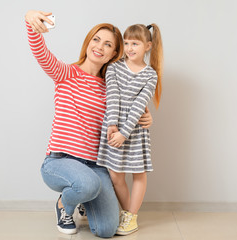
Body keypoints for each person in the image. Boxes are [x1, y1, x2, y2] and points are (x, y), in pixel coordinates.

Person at [24, 10, 153, 238]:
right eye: (96, 40)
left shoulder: (112, 86)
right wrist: (30, 19)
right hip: (60, 161)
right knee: (88, 184)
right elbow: (41, 53)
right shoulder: (65, 74)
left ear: (114, 53)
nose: (99, 47)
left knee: (106, 230)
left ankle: (83, 195)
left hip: (96, 165)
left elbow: (129, 111)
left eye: (107, 44)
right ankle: (65, 205)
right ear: (88, 42)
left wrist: (146, 118)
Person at [97, 23, 163, 235]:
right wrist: (113, 125)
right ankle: (128, 213)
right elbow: (113, 96)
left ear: (148, 46)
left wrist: (125, 132)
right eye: (126, 43)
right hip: (114, 126)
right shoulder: (114, 67)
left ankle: (131, 217)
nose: (130, 48)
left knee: (138, 173)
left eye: (135, 43)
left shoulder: (151, 75)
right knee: (116, 175)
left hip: (134, 130)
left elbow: (139, 105)